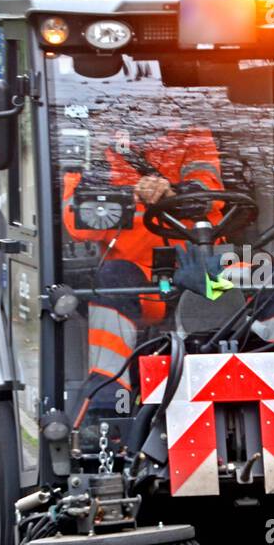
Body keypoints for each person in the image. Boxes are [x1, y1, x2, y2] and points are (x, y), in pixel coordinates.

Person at [62, 127, 223, 406]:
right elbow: (76, 221)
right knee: (112, 278)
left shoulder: (194, 135)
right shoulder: (99, 143)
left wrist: (173, 192)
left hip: (203, 268)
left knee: (273, 277)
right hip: (136, 280)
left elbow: (208, 189)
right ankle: (107, 398)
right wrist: (130, 194)